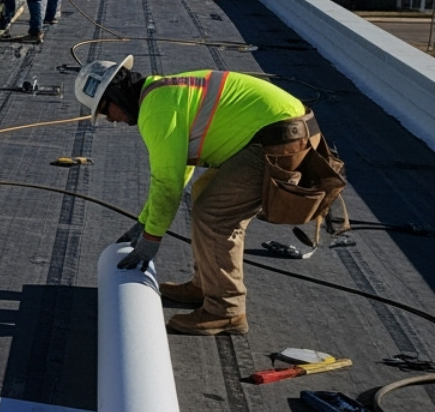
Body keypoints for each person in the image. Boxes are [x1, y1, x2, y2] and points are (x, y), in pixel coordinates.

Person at [75, 56, 343, 336]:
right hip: (285, 130)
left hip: (279, 138)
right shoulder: (161, 93)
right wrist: (143, 222)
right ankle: (206, 284)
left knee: (215, 215)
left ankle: (226, 310)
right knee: (204, 194)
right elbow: (180, 168)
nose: (112, 120)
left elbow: (167, 183)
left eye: (105, 111)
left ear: (116, 95)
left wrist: (151, 238)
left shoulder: (156, 111)